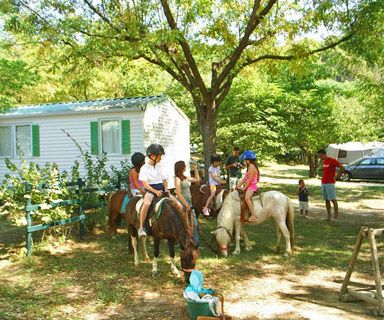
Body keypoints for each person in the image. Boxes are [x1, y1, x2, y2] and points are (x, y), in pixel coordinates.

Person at [138, 143, 180, 237]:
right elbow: (145, 184)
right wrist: (155, 192)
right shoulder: (144, 168)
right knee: (147, 203)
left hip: (161, 188)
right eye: (160, 156)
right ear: (152, 156)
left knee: (177, 203)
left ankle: (179, 224)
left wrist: (166, 189)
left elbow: (164, 180)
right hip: (150, 190)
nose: (161, 158)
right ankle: (141, 228)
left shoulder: (160, 166)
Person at [174, 160, 200, 247]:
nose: (185, 167)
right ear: (181, 167)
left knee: (194, 223)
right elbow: (178, 193)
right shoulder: (177, 179)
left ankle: (196, 243)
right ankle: (183, 242)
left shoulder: (184, 177)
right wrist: (186, 204)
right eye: (184, 166)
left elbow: (197, 180)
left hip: (189, 202)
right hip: (182, 203)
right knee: (184, 223)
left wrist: (195, 169)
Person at [317, 149, 344, 220]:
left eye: (320, 156)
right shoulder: (323, 161)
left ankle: (336, 217)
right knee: (326, 200)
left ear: (324, 154)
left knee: (332, 199)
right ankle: (329, 216)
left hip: (330, 183)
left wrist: (337, 176)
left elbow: (342, 167)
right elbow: (325, 170)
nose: (319, 158)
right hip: (323, 182)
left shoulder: (332, 160)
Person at [236, 150, 259, 222]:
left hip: (252, 186)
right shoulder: (250, 167)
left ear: (248, 160)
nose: (243, 162)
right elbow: (245, 178)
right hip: (249, 185)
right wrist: (238, 185)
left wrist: (244, 188)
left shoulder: (252, 167)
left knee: (247, 198)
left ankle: (253, 215)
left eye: (244, 161)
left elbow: (250, 180)